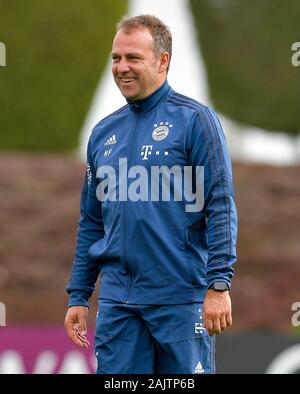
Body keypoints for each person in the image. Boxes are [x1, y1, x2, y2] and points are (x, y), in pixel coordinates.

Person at [64, 14, 237, 374]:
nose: (121, 68)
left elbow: (220, 205)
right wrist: (78, 295)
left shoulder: (195, 121)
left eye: (133, 58)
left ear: (163, 61)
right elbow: (92, 221)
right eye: (116, 58)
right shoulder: (102, 134)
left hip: (180, 301)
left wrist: (219, 285)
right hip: (118, 306)